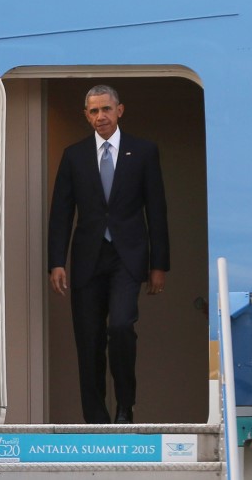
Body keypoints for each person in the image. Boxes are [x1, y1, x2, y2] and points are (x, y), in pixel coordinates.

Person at [48, 85, 170, 424]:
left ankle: (125, 406)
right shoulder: (74, 155)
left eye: (105, 109)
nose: (100, 116)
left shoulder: (143, 152)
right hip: (87, 257)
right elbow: (61, 211)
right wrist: (56, 261)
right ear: (86, 116)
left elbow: (156, 210)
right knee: (88, 341)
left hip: (128, 257)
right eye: (93, 111)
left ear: (120, 110)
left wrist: (159, 264)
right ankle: (96, 418)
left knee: (120, 326)